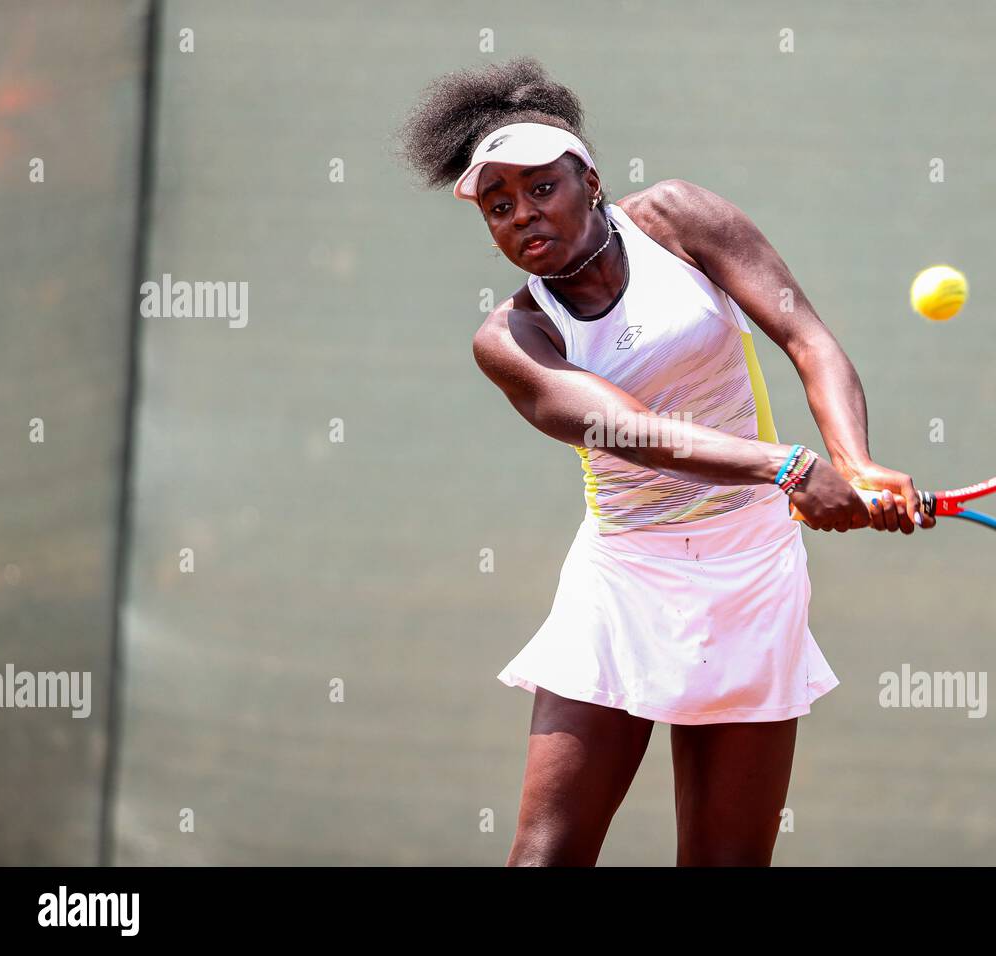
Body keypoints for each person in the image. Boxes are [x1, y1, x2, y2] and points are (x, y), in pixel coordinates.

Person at [400, 57, 934, 866]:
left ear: (590, 179)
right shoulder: (511, 340)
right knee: (545, 857)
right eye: (499, 206)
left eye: (541, 187)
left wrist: (854, 463)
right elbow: (637, 434)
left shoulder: (680, 220)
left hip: (752, 571)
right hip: (624, 580)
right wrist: (790, 467)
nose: (522, 216)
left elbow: (806, 337)